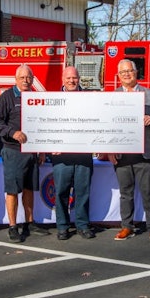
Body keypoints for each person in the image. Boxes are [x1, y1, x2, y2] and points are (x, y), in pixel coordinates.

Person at [107, 59, 150, 245]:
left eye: (129, 71)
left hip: (144, 151)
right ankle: (127, 226)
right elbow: (107, 123)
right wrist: (109, 150)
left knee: (148, 191)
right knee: (126, 193)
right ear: (118, 76)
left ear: (135, 72)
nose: (126, 74)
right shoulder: (112, 96)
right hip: (122, 152)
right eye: (122, 72)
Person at [0, 64, 51, 243]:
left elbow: (42, 125)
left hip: (31, 152)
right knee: (12, 190)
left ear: (33, 79)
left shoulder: (35, 97)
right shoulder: (7, 97)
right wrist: (12, 133)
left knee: (29, 189)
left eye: (29, 78)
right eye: (22, 77)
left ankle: (29, 222)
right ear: (16, 79)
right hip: (13, 150)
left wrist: (41, 151)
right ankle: (12, 226)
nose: (26, 81)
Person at [50, 66, 95, 240]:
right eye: (68, 78)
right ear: (62, 79)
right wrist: (49, 145)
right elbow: (47, 125)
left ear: (79, 79)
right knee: (61, 191)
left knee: (83, 192)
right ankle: (62, 226)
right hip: (61, 155)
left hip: (83, 154)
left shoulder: (89, 99)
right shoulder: (54, 100)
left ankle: (82, 225)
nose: (71, 81)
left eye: (74, 78)